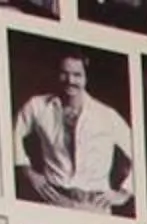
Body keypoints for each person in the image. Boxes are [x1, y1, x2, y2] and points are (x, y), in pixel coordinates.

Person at [13, 49, 134, 211]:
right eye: (64, 73)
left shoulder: (107, 115)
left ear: (86, 78)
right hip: (54, 199)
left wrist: (125, 192)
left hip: (94, 204)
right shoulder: (38, 106)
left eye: (77, 75)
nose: (70, 80)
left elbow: (138, 153)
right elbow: (11, 134)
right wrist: (29, 173)